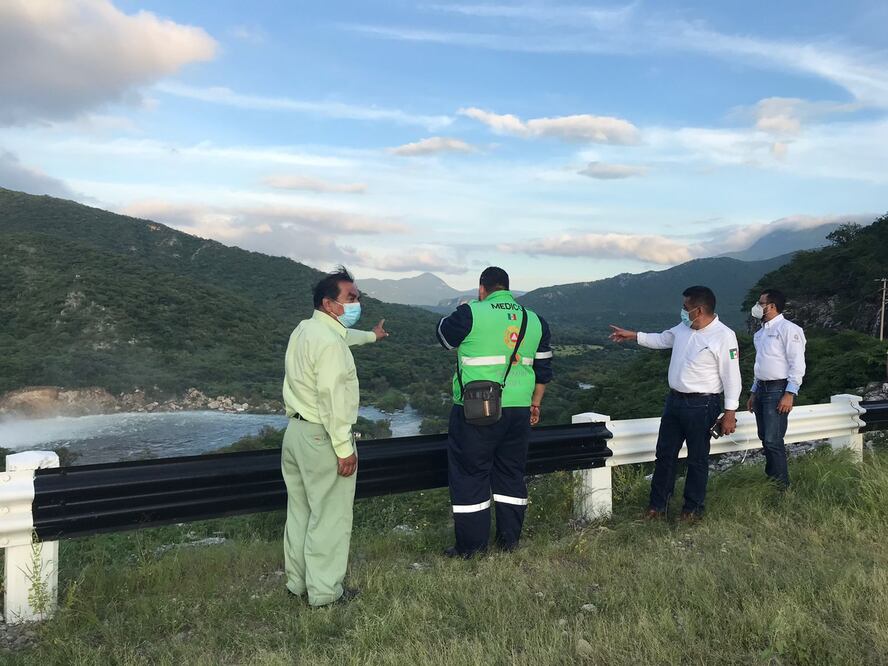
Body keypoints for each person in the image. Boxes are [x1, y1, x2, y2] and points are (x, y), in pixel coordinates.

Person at [281, 266, 388, 606]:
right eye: (351, 298)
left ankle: (298, 583)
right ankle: (326, 593)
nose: (357, 304)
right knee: (330, 517)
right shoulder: (329, 344)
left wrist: (372, 336)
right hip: (322, 437)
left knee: (300, 512)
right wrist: (344, 448)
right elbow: (333, 399)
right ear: (329, 304)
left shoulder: (306, 329)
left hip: (296, 434)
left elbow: (344, 337)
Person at [436, 267, 553, 557]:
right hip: (520, 409)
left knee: (470, 474)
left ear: (482, 289)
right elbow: (543, 370)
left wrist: (461, 308)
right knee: (511, 474)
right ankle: (509, 542)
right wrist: (535, 403)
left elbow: (444, 336)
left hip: (477, 408)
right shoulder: (535, 320)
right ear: (508, 289)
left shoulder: (471, 313)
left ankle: (472, 548)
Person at [609, 285, 741, 520]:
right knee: (665, 455)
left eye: (685, 307)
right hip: (675, 402)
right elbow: (662, 339)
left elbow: (732, 376)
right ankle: (658, 506)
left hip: (702, 405)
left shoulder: (723, 335)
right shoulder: (683, 328)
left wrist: (730, 412)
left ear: (698, 310)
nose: (682, 311)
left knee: (697, 459)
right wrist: (634, 335)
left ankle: (692, 510)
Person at [746, 289, 806, 488]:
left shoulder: (789, 329)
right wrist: (753, 392)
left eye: (761, 303)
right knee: (765, 437)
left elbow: (797, 363)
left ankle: (781, 486)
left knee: (773, 439)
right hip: (761, 388)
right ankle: (772, 480)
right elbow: (760, 365)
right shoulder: (760, 333)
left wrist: (789, 393)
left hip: (778, 388)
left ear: (772, 306)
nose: (757, 306)